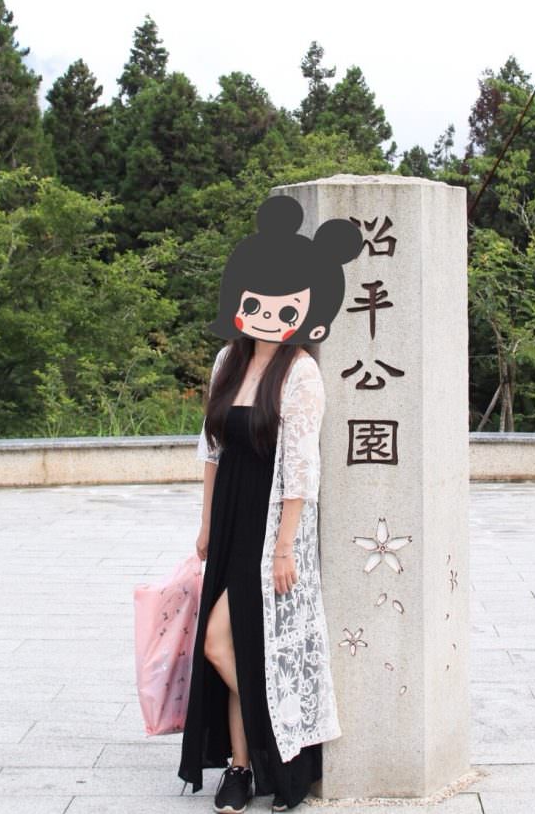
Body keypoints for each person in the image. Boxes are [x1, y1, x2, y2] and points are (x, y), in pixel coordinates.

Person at [178, 194, 362, 812]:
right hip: (230, 520)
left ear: (308, 313)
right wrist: (206, 523)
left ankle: (274, 754)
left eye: (285, 308)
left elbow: (303, 467)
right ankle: (244, 765)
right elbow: (211, 449)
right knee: (228, 644)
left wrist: (285, 546)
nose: (266, 316)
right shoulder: (227, 361)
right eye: (255, 303)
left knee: (230, 643)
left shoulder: (301, 372)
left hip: (269, 527)